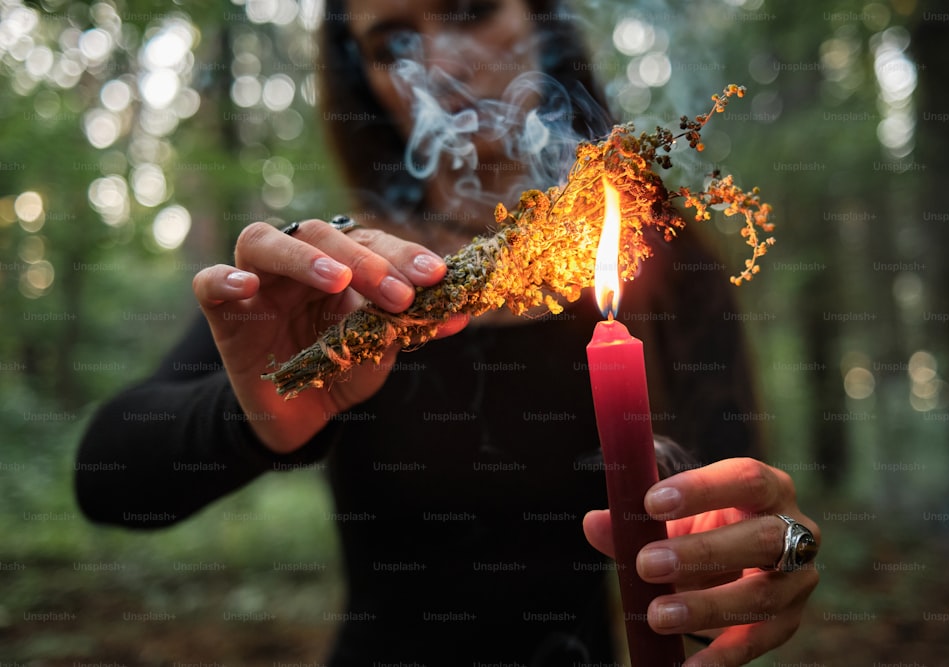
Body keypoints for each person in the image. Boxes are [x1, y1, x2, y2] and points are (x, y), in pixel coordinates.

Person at [76, 0, 820, 665]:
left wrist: (756, 553)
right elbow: (105, 476)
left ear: (542, 22)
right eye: (391, 42)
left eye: (468, 9)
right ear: (362, 79)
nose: (438, 63)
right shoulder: (339, 278)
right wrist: (254, 418)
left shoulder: (665, 264)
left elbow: (716, 533)